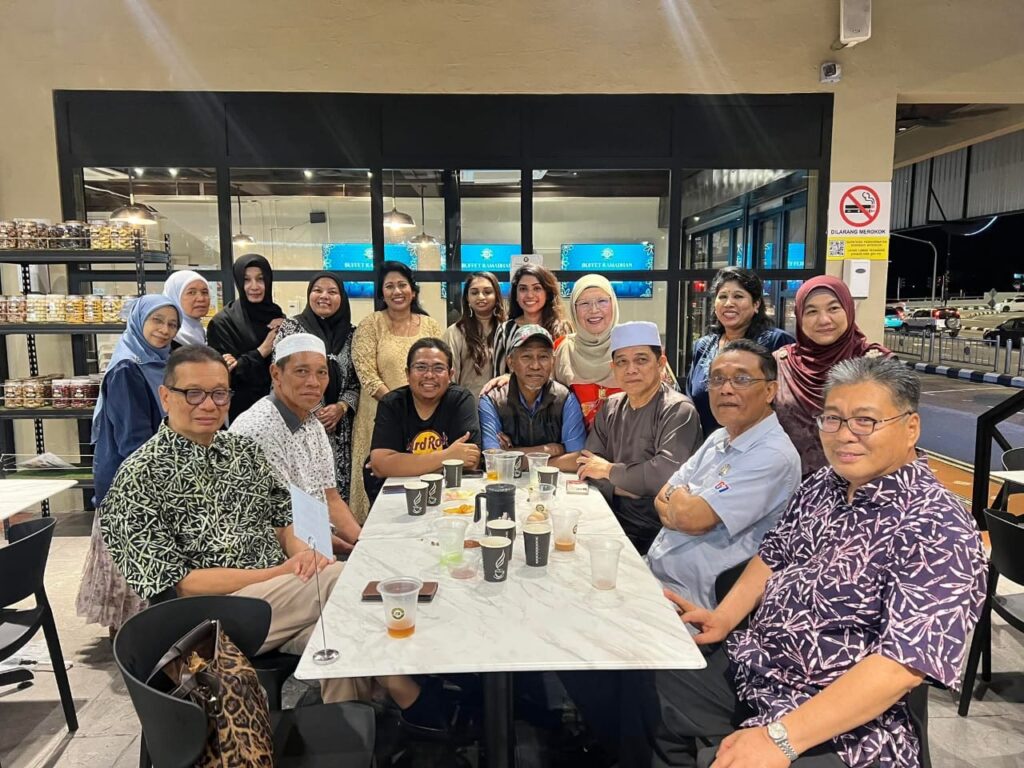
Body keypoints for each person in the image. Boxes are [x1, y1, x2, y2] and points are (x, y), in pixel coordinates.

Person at [617, 356, 987, 768]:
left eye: (865, 421)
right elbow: (773, 554)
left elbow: (902, 665)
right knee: (636, 678)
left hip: (840, 722)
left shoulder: (939, 525)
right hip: (758, 667)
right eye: (833, 419)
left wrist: (781, 739)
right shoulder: (824, 485)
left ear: (910, 427)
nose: (845, 435)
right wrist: (724, 617)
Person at [99, 345, 445, 729]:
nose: (209, 405)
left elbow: (284, 520)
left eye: (219, 394)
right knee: (345, 579)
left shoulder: (241, 452)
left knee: (345, 632)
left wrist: (303, 556)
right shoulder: (138, 478)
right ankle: (413, 697)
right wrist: (286, 571)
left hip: (280, 599)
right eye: (193, 393)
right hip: (205, 620)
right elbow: (179, 585)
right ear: (166, 396)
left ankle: (352, 738)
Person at [644, 338, 800, 602]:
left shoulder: (773, 456)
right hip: (655, 572)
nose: (726, 389)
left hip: (692, 599)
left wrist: (681, 499)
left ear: (770, 391)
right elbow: (661, 498)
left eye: (741, 379)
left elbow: (692, 517)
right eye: (717, 379)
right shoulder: (719, 436)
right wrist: (682, 505)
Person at [77, 295, 180, 633]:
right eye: (157, 321)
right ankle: (129, 639)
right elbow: (133, 440)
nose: (164, 330)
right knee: (130, 567)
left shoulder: (159, 362)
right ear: (138, 321)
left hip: (153, 473)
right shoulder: (127, 368)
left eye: (172, 324)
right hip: (130, 482)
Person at [576, 322, 703, 555]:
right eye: (622, 362)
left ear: (661, 364)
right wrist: (628, 486)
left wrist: (608, 471)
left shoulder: (678, 410)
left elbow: (663, 477)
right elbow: (588, 466)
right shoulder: (611, 406)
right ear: (613, 368)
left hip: (657, 535)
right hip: (607, 519)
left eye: (641, 360)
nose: (631, 369)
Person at [230, 333, 362, 554]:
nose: (313, 382)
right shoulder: (259, 428)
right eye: (301, 371)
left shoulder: (312, 422)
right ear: (276, 374)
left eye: (321, 373)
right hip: (274, 556)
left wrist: (362, 544)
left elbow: (330, 498)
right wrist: (343, 550)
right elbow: (282, 524)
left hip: (315, 545)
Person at [350, 262, 443, 522]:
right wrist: (398, 407)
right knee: (380, 478)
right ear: (381, 292)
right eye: (389, 286)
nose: (397, 291)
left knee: (423, 474)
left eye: (402, 285)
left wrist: (418, 409)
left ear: (413, 291)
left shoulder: (430, 326)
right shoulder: (371, 325)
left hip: (425, 417)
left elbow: (441, 368)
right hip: (379, 416)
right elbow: (367, 375)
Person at [774, 275, 890, 477]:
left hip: (859, 484)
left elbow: (894, 430)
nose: (824, 320)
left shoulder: (876, 363)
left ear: (848, 309)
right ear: (799, 316)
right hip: (789, 483)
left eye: (833, 308)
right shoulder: (782, 363)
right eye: (811, 311)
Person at [276, 272, 361, 502]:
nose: (324, 296)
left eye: (332, 292)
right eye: (317, 290)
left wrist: (341, 407)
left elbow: (356, 383)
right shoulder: (291, 328)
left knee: (337, 493)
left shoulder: (351, 335)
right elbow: (280, 377)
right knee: (306, 491)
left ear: (342, 298)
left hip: (340, 429)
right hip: (300, 423)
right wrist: (316, 410)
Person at [368, 338, 481, 501]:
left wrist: (400, 465)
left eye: (438, 368)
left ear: (450, 375)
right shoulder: (392, 403)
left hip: (450, 496)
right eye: (421, 367)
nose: (429, 375)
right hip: (399, 496)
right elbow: (380, 465)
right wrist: (447, 456)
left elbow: (470, 460)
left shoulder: (460, 400)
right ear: (407, 374)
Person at [686, 267, 794, 437]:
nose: (729, 303)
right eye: (722, 296)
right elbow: (691, 399)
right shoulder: (703, 346)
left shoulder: (777, 342)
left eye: (738, 296)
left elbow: (788, 406)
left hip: (759, 444)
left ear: (756, 304)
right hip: (708, 446)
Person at [479, 325, 586, 471]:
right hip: (507, 482)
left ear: (553, 361)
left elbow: (577, 459)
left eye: (543, 357)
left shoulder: (565, 398)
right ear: (511, 362)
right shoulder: (493, 400)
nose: (535, 366)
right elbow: (493, 462)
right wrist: (551, 450)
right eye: (526, 357)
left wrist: (511, 455)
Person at [206, 254, 285, 422]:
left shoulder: (276, 314)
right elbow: (224, 375)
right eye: (246, 280)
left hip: (280, 407)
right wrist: (261, 351)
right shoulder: (223, 323)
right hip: (244, 412)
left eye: (260, 279)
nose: (254, 286)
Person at [492, 264, 570, 376]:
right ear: (516, 295)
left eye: (537, 288)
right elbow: (499, 377)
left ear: (547, 294)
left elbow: (567, 374)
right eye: (523, 289)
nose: (530, 295)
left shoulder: (563, 328)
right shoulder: (505, 330)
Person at [444, 271, 507, 397]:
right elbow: (449, 378)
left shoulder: (508, 330)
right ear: (467, 298)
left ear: (497, 296)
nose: (481, 297)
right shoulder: (455, 332)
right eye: (474, 293)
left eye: (487, 292)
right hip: (466, 404)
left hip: (502, 404)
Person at [162, 269, 211, 348]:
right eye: (191, 293)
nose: (201, 298)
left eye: (204, 292)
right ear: (174, 297)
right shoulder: (166, 338)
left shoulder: (205, 334)